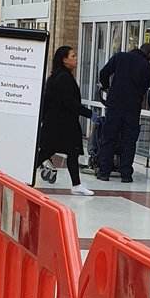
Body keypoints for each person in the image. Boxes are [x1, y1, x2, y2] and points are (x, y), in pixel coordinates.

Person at [36, 45, 94, 197]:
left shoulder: (59, 75)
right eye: (73, 56)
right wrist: (89, 114)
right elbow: (69, 102)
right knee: (48, 152)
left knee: (71, 153)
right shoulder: (63, 78)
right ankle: (24, 176)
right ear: (64, 60)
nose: (76, 59)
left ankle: (77, 185)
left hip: (59, 123)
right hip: (60, 124)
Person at [96, 40, 150, 183]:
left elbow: (103, 73)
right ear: (149, 55)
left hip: (115, 106)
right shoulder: (148, 68)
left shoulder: (120, 57)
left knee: (108, 138)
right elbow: (144, 89)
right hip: (132, 109)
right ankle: (126, 174)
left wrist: (107, 87)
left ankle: (104, 172)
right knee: (129, 141)